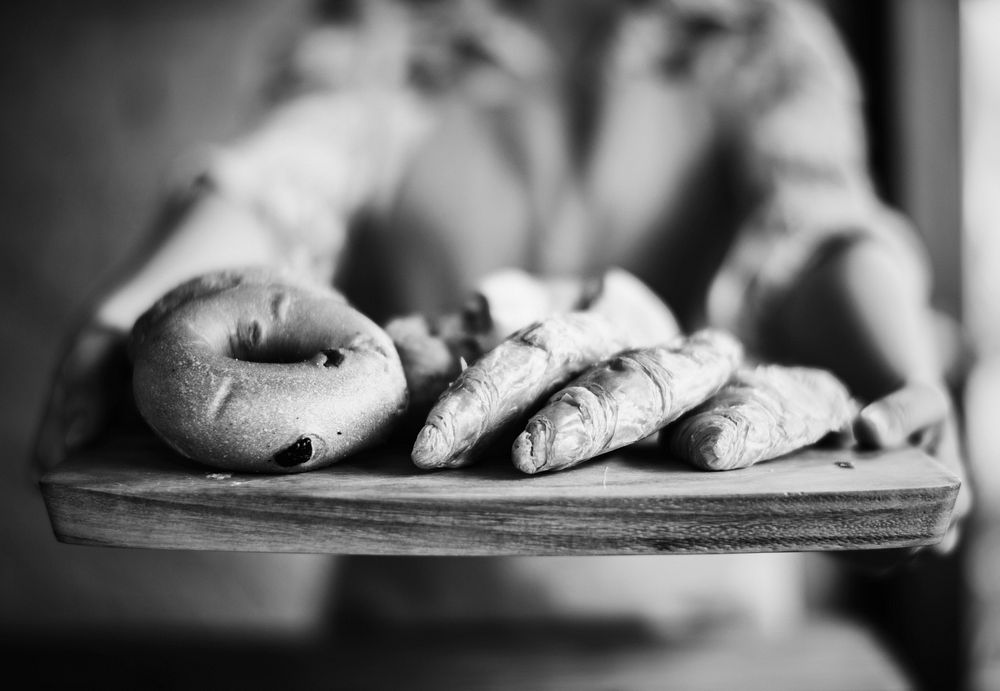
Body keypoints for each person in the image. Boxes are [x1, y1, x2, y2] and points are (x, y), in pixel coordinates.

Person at [35, 0, 969, 637]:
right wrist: (144, 305)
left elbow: (815, 231)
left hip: (704, 625)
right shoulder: (386, 32)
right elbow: (278, 184)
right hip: (418, 624)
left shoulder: (760, 35)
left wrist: (897, 363)